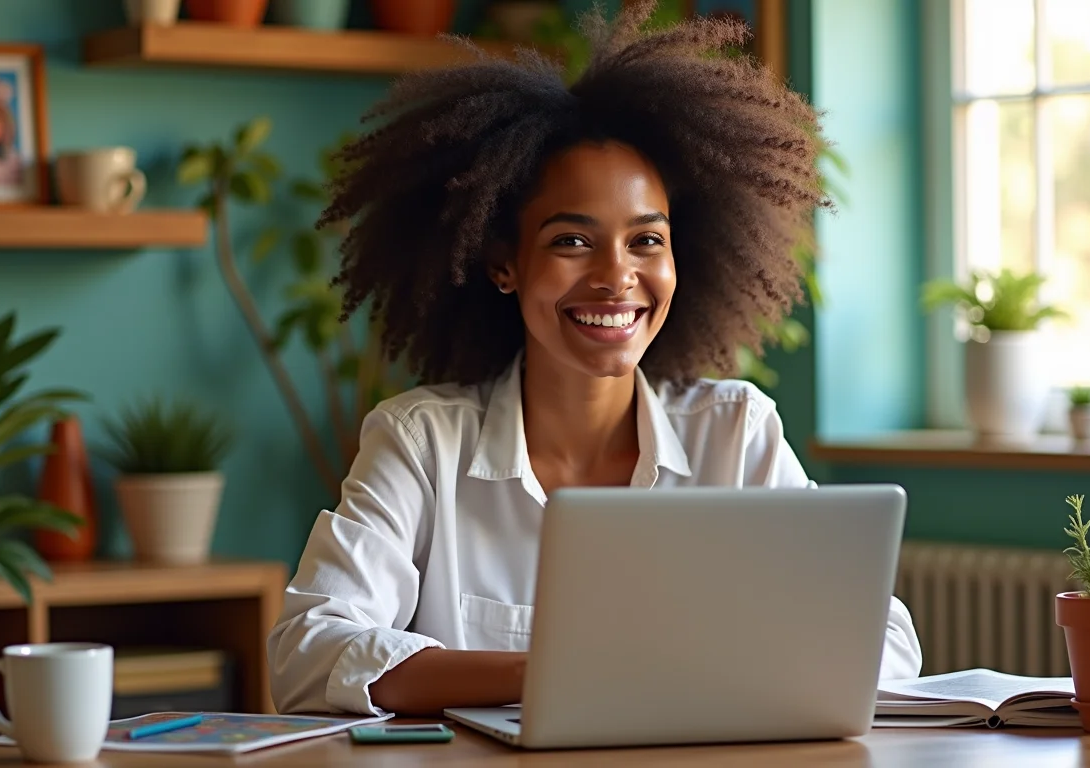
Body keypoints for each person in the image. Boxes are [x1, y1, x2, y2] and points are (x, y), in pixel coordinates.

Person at [267, 2, 922, 718]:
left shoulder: (735, 434)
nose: (617, 278)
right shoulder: (423, 442)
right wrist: (556, 671)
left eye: (646, 241)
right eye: (571, 242)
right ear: (503, 265)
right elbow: (307, 653)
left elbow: (883, 640)